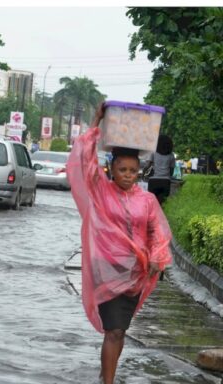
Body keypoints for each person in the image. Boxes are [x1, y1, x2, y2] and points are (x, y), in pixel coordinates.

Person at [67, 103, 172, 384]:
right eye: (122, 169)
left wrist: (157, 256)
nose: (128, 174)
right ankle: (108, 382)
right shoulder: (101, 190)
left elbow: (158, 231)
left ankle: (106, 373)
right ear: (111, 169)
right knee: (113, 330)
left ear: (140, 171)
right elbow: (84, 161)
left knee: (120, 331)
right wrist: (96, 120)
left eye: (133, 170)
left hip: (135, 274)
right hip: (106, 270)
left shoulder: (146, 200)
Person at [146, 135, 176, 204]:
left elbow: (147, 166)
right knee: (162, 203)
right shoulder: (171, 155)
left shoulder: (153, 153)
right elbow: (171, 171)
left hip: (153, 181)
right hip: (166, 181)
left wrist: (145, 173)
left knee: (153, 202)